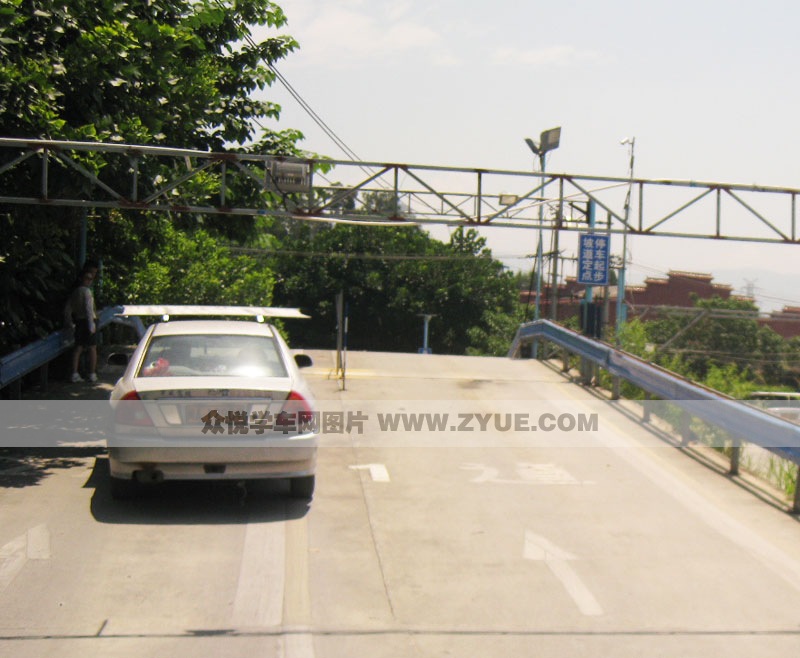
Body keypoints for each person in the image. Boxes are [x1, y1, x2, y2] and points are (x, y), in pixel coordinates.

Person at [64, 263, 99, 383]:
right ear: (83, 279)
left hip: (78, 321)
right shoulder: (87, 292)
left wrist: (69, 323)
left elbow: (67, 309)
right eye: (88, 278)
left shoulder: (74, 292)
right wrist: (91, 325)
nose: (90, 281)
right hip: (88, 321)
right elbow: (89, 309)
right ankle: (92, 373)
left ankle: (74, 373)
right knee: (92, 348)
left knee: (78, 348)